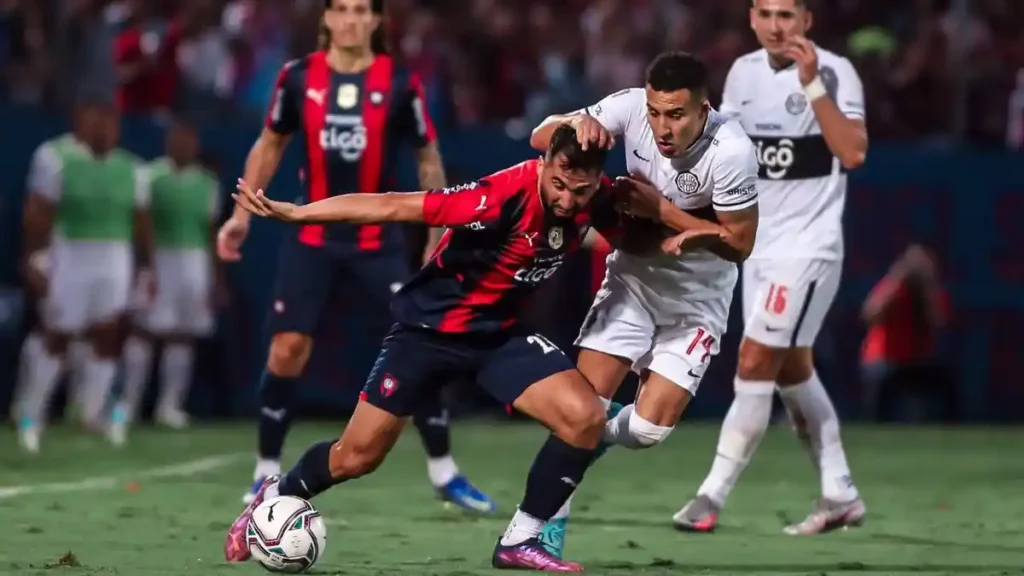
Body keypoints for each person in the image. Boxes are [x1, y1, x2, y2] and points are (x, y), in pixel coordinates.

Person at [225, 125, 670, 572]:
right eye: (559, 184)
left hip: (497, 336)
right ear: (545, 163)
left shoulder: (600, 198)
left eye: (581, 190)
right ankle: (277, 494)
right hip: (426, 333)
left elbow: (643, 243)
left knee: (584, 417)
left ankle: (521, 539)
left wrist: (682, 222)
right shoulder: (497, 197)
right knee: (356, 457)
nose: (568, 200)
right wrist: (300, 214)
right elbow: (393, 205)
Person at [216, 0, 493, 511]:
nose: (350, 19)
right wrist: (240, 216)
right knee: (287, 348)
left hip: (377, 243)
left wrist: (435, 235)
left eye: (360, 10)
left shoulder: (399, 82)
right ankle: (265, 473)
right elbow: (269, 144)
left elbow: (427, 156)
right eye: (340, 9)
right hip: (313, 239)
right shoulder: (298, 78)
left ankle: (444, 473)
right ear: (326, 18)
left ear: (375, 21)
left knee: (420, 347)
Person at [527, 51, 760, 557]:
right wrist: (575, 122)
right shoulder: (629, 108)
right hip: (633, 282)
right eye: (656, 112)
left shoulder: (732, 150)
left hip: (698, 300)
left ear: (704, 109)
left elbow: (741, 244)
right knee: (578, 409)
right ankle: (539, 534)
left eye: (675, 114)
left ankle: (595, 434)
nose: (662, 126)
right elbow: (540, 137)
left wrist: (666, 214)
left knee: (650, 430)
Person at [674, 0, 869, 535]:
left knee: (756, 358)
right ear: (752, 19)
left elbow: (852, 153)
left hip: (809, 247)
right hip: (756, 246)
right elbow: (731, 155)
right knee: (792, 369)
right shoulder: (742, 72)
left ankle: (710, 496)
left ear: (807, 19)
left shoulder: (834, 71)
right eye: (765, 13)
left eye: (787, 14)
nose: (775, 26)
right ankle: (839, 492)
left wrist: (812, 86)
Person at [17, 98, 153, 453]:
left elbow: (141, 224)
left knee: (108, 334)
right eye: (99, 121)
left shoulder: (134, 169)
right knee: (58, 334)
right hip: (70, 252)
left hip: (114, 255)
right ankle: (31, 414)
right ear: (82, 122)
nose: (106, 130)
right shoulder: (54, 157)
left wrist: (147, 268)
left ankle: (91, 413)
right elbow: (37, 213)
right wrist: (33, 257)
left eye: (112, 123)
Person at [112, 117, 225, 443]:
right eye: (177, 139)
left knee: (184, 334)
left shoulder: (208, 182)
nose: (183, 145)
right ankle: (127, 406)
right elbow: (141, 223)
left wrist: (217, 276)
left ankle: (169, 407)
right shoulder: (149, 176)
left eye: (188, 139)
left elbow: (210, 231)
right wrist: (146, 265)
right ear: (168, 142)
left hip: (194, 263)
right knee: (144, 331)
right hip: (161, 259)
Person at [861, 244, 953, 422]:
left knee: (947, 382)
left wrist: (927, 286)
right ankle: (874, 426)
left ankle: (950, 431)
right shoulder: (892, 287)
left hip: (916, 361)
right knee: (880, 384)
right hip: (886, 361)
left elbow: (938, 321)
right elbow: (870, 313)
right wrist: (897, 280)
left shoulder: (931, 291)